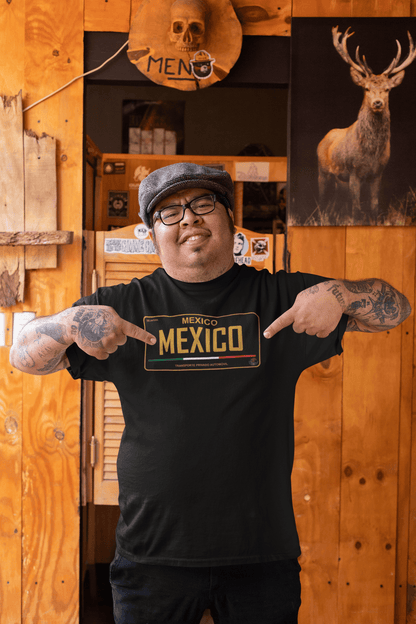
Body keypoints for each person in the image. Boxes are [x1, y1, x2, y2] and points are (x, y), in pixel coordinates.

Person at [10, 163, 411, 624]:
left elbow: (396, 306)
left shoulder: (279, 295)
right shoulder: (121, 306)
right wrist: (66, 325)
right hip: (151, 555)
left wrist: (341, 294)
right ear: (151, 232)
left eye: (204, 205)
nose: (189, 219)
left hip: (260, 554)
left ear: (229, 219)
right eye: (170, 212)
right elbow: (23, 357)